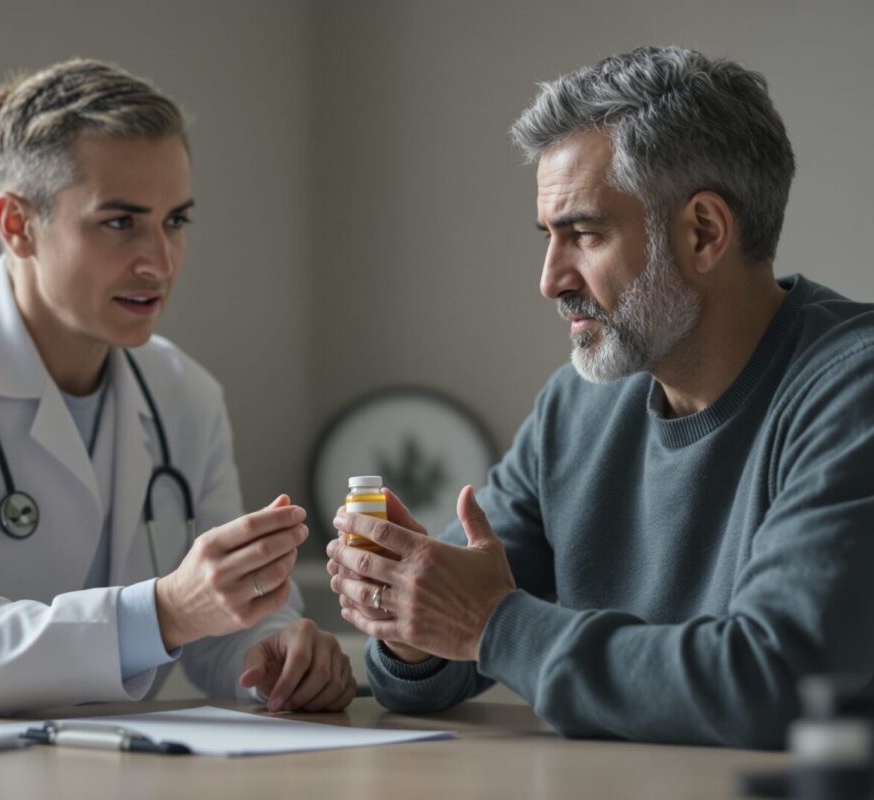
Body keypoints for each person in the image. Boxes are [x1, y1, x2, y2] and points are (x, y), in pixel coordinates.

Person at [325, 46, 874, 749]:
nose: (551, 279)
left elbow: (779, 685)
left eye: (583, 233)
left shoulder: (852, 392)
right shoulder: (577, 408)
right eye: (549, 238)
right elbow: (448, 657)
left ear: (704, 231)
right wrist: (410, 610)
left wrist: (490, 624)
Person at [0, 58, 355, 715]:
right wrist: (165, 611)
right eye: (120, 223)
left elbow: (221, 630)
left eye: (175, 221)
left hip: (81, 766)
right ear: (17, 225)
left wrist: (276, 651)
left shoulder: (183, 394)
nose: (159, 261)